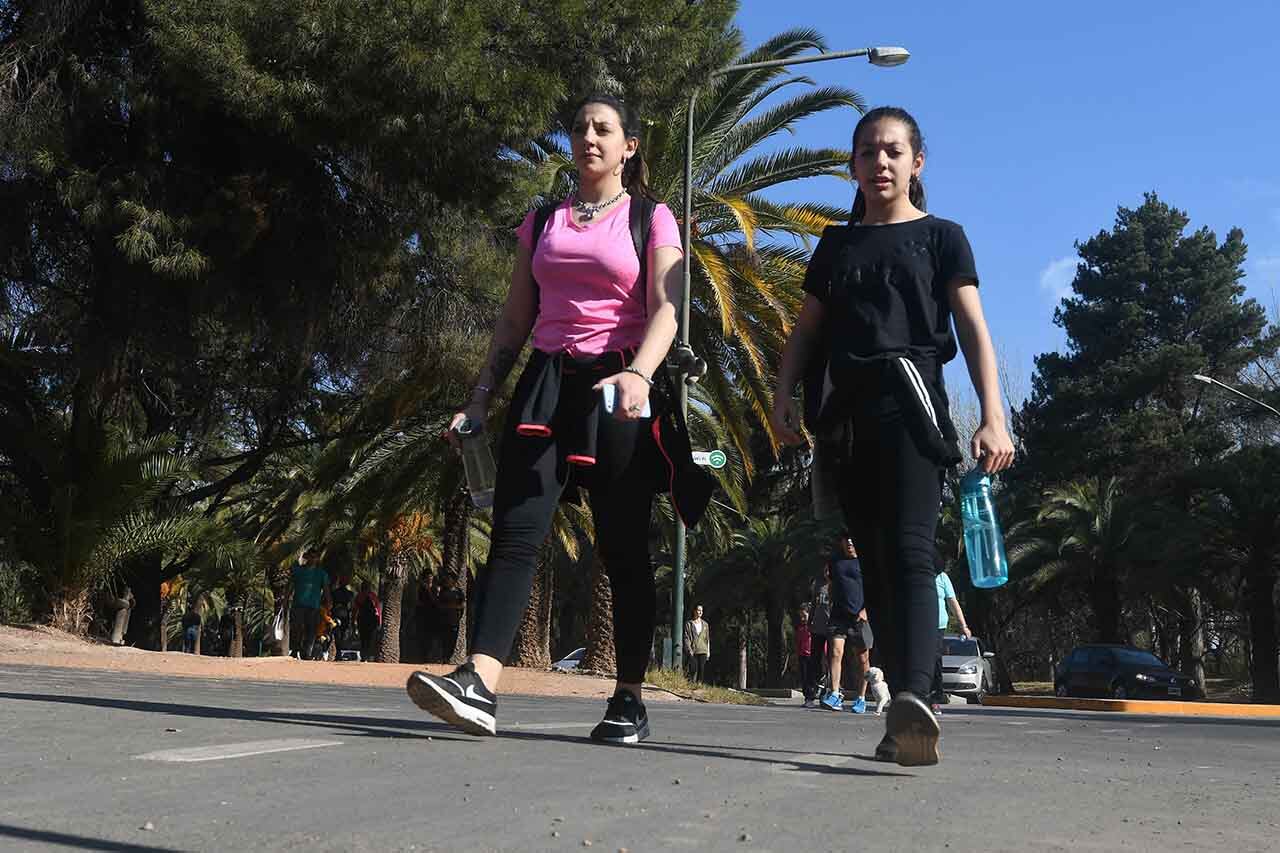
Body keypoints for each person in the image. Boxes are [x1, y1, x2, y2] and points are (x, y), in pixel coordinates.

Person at [405, 93, 711, 744]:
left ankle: (629, 696)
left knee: (622, 546)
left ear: (630, 146)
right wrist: (482, 394)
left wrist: (640, 374)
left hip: (619, 383)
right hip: (546, 380)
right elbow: (516, 316)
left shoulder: (651, 217)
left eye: (605, 129)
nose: (589, 137)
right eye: (580, 128)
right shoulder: (544, 219)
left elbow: (667, 308)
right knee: (517, 532)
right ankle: (480, 682)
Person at [770, 106, 1014, 766]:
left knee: (911, 551)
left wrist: (993, 414)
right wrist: (782, 396)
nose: (880, 161)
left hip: (912, 411)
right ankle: (906, 714)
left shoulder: (944, 238)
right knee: (873, 564)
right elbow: (806, 333)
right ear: (852, 166)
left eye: (894, 151)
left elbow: (973, 331)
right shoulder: (835, 246)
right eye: (868, 151)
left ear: (916, 163)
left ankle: (915, 695)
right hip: (846, 421)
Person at [821, 535, 874, 714]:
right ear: (842, 542)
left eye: (853, 540)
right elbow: (831, 584)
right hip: (838, 615)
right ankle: (835, 694)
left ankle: (861, 698)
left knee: (862, 659)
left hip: (860, 617)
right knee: (835, 652)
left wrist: (866, 610)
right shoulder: (835, 562)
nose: (850, 543)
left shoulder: (867, 562)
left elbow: (876, 588)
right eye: (846, 540)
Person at [931, 557, 972, 713]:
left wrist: (963, 626)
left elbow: (953, 602)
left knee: (935, 660)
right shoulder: (917, 575)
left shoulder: (942, 577)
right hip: (919, 624)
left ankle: (935, 698)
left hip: (938, 626)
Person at [290, 546, 328, 660]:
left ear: (317, 559)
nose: (312, 559)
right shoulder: (298, 570)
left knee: (311, 630)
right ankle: (296, 648)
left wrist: (329, 602)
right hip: (298, 604)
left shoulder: (321, 574)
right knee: (297, 627)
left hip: (313, 606)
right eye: (310, 557)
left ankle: (306, 652)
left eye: (315, 557)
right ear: (307, 557)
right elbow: (290, 586)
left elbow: (326, 589)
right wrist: (286, 600)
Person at [808, 566, 833, 704]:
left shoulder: (838, 584)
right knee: (815, 660)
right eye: (825, 570)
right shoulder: (817, 585)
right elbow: (813, 604)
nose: (827, 573)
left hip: (832, 629)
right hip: (817, 628)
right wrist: (810, 621)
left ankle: (829, 691)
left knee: (831, 661)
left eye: (830, 570)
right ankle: (811, 692)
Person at [683, 605, 710, 682]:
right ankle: (690, 684)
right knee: (693, 669)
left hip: (703, 650)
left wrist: (708, 651)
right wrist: (689, 649)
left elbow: (707, 639)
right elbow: (686, 638)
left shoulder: (705, 624)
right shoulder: (689, 624)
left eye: (701, 610)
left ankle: (699, 686)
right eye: (698, 610)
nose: (700, 612)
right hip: (693, 650)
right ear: (694, 611)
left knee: (701, 670)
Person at [794, 608, 814, 706]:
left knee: (816, 677)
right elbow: (798, 643)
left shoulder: (815, 628)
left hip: (814, 656)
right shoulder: (800, 629)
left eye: (804, 616)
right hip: (803, 656)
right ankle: (808, 698)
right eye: (801, 616)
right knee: (804, 678)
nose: (802, 619)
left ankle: (823, 695)